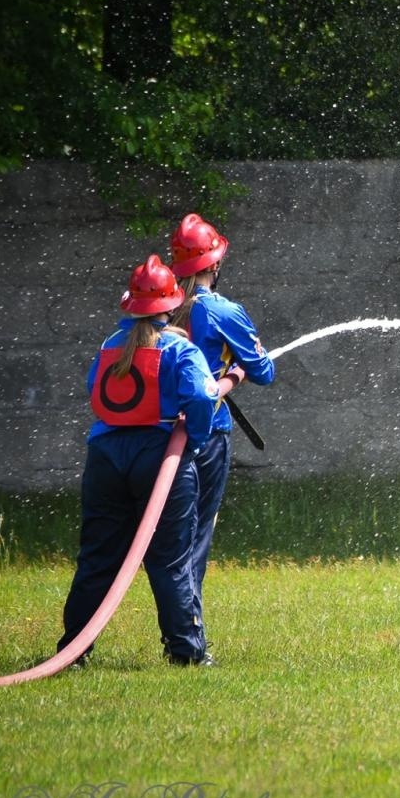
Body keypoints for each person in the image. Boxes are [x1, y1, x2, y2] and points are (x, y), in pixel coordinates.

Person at [59, 255, 220, 667]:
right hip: (160, 457)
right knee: (170, 559)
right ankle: (186, 651)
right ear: (172, 303)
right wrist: (196, 439)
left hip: (105, 457)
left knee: (98, 558)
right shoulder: (180, 348)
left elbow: (92, 389)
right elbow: (202, 397)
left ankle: (75, 651)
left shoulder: (110, 345)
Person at [168, 212, 275, 630]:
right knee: (194, 539)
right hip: (207, 434)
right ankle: (187, 637)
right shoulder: (222, 311)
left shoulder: (162, 309)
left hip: (156, 433)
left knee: (166, 538)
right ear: (213, 264)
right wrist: (239, 368)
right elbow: (264, 370)